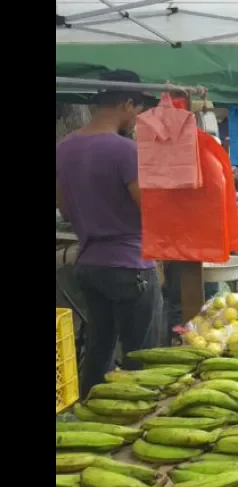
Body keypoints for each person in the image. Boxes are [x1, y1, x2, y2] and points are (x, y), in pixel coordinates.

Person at [55, 70, 163, 397]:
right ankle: (135, 425)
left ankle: (91, 419)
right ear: (127, 102)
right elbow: (149, 210)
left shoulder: (63, 148)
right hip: (131, 266)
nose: (139, 118)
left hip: (89, 264)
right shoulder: (124, 151)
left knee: (99, 348)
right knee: (139, 357)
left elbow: (66, 210)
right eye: (139, 109)